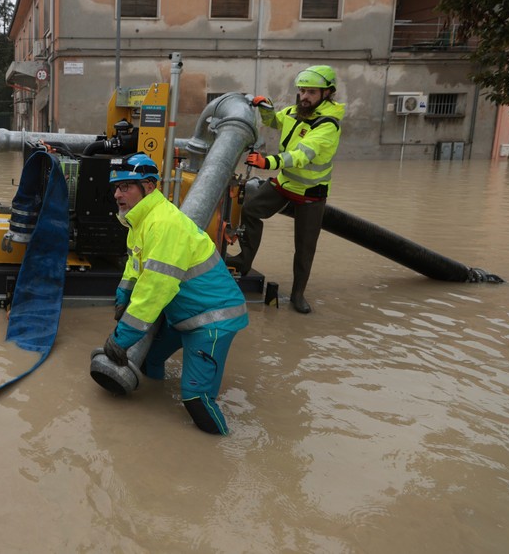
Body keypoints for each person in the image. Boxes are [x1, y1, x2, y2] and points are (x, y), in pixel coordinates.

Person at [102, 153, 249, 435]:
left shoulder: (163, 224)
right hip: (181, 314)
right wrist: (123, 294)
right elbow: (136, 266)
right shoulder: (139, 221)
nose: (118, 194)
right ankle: (153, 420)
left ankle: (222, 452)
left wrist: (121, 339)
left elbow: (156, 289)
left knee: (196, 399)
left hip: (212, 320)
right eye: (116, 188)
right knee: (148, 361)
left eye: (126, 187)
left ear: (149, 186)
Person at [226, 65, 345, 314]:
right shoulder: (294, 112)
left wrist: (266, 162)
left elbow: (301, 156)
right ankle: (243, 262)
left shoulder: (328, 126)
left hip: (311, 194)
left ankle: (298, 295)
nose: (304, 97)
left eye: (311, 92)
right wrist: (266, 108)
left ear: (327, 93)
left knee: (304, 247)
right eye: (302, 91)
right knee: (249, 209)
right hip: (285, 184)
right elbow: (274, 122)